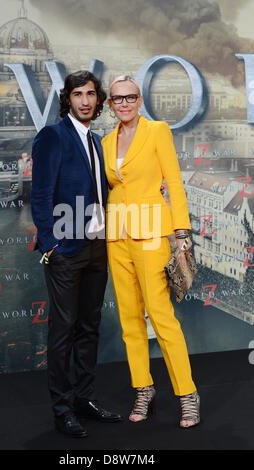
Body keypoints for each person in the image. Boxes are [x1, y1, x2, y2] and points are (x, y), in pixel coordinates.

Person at [102, 75, 200, 428]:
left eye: (130, 97)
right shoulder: (106, 141)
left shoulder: (157, 131)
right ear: (110, 104)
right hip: (117, 237)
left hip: (152, 235)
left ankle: (187, 394)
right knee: (130, 321)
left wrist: (181, 231)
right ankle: (143, 389)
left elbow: (173, 181)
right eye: (117, 99)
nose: (124, 103)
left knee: (161, 318)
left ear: (139, 100)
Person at [31, 71, 123, 438]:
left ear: (98, 100)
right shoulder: (52, 136)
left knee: (89, 327)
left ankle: (85, 399)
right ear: (67, 99)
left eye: (91, 94)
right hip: (65, 248)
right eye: (77, 94)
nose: (85, 101)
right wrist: (51, 243)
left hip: (97, 246)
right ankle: (62, 409)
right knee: (64, 330)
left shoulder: (98, 141)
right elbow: (40, 195)